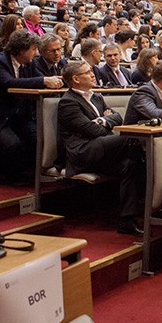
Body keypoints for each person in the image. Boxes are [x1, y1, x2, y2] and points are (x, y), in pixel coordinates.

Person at [58, 60, 145, 236]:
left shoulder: (96, 97)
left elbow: (118, 117)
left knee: (129, 164)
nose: (93, 74)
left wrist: (102, 120)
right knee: (134, 139)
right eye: (88, 72)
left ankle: (127, 221)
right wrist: (106, 121)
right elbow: (93, 131)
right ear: (76, 79)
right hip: (83, 152)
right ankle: (150, 187)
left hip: (102, 149)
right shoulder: (68, 102)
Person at [0, 30, 63, 184]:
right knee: (13, 144)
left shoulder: (29, 64)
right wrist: (44, 80)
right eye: (33, 49)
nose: (35, 53)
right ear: (21, 49)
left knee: (39, 138)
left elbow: (39, 78)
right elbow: (9, 83)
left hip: (16, 115)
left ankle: (24, 172)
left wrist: (54, 80)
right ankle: (0, 173)